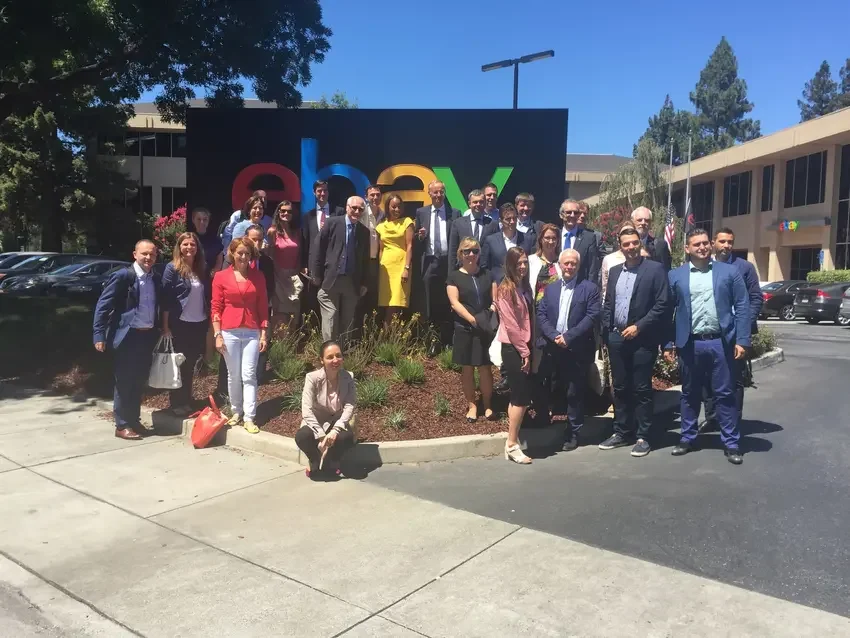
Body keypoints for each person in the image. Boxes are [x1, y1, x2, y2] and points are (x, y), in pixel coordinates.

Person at [664, 228, 751, 465]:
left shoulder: (729, 272)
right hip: (689, 343)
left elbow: (742, 306)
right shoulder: (675, 276)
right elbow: (668, 312)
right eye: (696, 244)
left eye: (705, 243)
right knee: (689, 393)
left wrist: (742, 340)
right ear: (687, 248)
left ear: (710, 245)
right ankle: (687, 438)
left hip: (721, 342)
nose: (702, 247)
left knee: (725, 394)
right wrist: (668, 343)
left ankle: (731, 443)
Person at [599, 227, 671, 457]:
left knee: (641, 388)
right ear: (620, 247)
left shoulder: (655, 269)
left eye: (634, 243)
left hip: (643, 339)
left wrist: (639, 326)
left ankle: (643, 436)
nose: (630, 247)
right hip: (616, 338)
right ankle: (621, 432)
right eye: (626, 244)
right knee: (620, 387)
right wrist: (608, 331)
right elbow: (608, 302)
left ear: (640, 243)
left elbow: (662, 303)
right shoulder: (615, 271)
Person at [93, 239, 161, 440]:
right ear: (135, 254)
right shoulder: (124, 276)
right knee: (124, 381)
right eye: (144, 254)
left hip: (147, 336)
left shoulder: (155, 278)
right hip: (127, 337)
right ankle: (122, 425)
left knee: (138, 381)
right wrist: (99, 334)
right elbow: (103, 305)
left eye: (152, 254)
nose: (148, 257)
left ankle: (134, 421)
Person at [537, 249, 600, 451]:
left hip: (577, 349)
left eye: (573, 263)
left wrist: (568, 337)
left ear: (578, 266)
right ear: (560, 265)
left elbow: (592, 316)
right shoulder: (551, 289)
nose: (570, 267)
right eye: (566, 263)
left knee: (574, 392)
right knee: (551, 386)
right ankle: (546, 419)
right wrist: (554, 335)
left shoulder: (589, 289)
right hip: (553, 346)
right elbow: (541, 314)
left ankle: (573, 432)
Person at [701, 227, 763, 431]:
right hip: (708, 332)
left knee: (734, 379)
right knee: (708, 377)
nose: (726, 245)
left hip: (734, 334)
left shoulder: (744, 268)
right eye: (722, 241)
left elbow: (755, 298)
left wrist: (743, 325)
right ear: (713, 243)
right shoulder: (704, 266)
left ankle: (733, 420)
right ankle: (712, 418)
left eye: (730, 242)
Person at [211, 237, 269, 434]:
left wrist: (263, 333)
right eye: (240, 253)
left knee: (249, 375)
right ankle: (236, 411)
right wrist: (217, 334)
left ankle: (249, 417)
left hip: (252, 331)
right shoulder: (221, 277)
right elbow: (216, 307)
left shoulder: (258, 276)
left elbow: (263, 305)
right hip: (229, 331)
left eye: (247, 253)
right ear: (232, 254)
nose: (244, 257)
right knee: (233, 374)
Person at [446, 237, 496, 422]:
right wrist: (472, 319)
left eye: (475, 250)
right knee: (467, 368)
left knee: (485, 368)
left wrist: (487, 317)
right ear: (460, 254)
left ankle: (488, 405)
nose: (471, 254)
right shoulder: (454, 276)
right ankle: (472, 406)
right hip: (465, 327)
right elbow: (454, 302)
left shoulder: (487, 274)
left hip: (484, 328)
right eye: (467, 251)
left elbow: (495, 300)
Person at [161, 232, 209, 416]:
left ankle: (187, 400)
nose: (189, 247)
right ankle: (176, 403)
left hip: (198, 323)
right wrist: (165, 327)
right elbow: (165, 299)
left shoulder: (201, 268)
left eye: (192, 244)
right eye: (185, 244)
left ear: (197, 248)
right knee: (179, 364)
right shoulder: (172, 268)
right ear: (179, 247)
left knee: (190, 364)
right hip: (180, 323)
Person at [310, 196, 370, 344]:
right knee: (330, 318)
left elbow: (365, 260)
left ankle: (342, 353)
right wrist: (316, 274)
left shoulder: (364, 232)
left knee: (347, 321)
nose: (357, 212)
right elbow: (318, 249)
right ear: (347, 207)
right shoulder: (332, 223)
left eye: (360, 209)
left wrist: (364, 283)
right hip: (331, 279)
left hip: (351, 282)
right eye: (354, 208)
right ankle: (329, 352)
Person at [495, 247, 536, 464]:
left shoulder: (523, 286)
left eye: (525, 262)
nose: (522, 266)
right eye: (518, 263)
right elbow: (511, 325)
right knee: (521, 398)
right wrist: (525, 352)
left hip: (523, 346)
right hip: (514, 348)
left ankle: (511, 441)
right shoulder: (506, 289)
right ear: (509, 265)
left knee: (518, 397)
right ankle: (512, 445)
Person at [295, 340, 356, 480]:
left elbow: (349, 405)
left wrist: (336, 430)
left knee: (346, 437)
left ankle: (333, 458)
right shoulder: (312, 378)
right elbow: (306, 410)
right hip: (317, 420)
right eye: (330, 357)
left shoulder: (348, 377)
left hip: (337, 420)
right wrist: (321, 435)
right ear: (322, 360)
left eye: (338, 356)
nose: (335, 360)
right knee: (302, 436)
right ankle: (314, 458)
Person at [415, 180, 460, 349]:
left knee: (448, 300)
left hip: (448, 262)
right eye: (435, 192)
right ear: (429, 194)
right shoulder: (421, 212)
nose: (439, 195)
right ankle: (432, 340)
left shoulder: (454, 213)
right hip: (430, 262)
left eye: (441, 192)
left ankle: (448, 340)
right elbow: (416, 240)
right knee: (429, 302)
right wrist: (420, 236)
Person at [302, 180, 344, 323]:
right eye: (319, 191)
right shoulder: (308, 216)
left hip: (333, 263)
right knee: (313, 299)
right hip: (314, 263)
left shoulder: (338, 212)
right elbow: (305, 241)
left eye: (325, 190)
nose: (322, 193)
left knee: (332, 299)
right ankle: (314, 330)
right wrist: (304, 264)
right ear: (314, 193)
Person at [375, 194, 414, 328]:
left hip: (401, 266)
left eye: (399, 206)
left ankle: (389, 336)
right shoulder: (381, 226)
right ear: (387, 207)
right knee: (387, 304)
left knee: (395, 304)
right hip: (386, 268)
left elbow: (409, 246)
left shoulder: (407, 222)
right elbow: (381, 249)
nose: (397, 209)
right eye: (393, 207)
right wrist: (380, 267)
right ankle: (388, 336)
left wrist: (406, 268)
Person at [265, 201, 303, 332]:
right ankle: (280, 344)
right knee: (280, 314)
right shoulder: (272, 231)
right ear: (278, 212)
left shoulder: (296, 232)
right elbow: (269, 255)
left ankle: (290, 343)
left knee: (294, 314)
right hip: (278, 277)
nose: (286, 213)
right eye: (283, 211)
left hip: (294, 278)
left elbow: (299, 254)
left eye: (289, 211)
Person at [481, 203, 531, 284]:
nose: (512, 221)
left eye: (514, 218)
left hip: (521, 286)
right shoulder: (491, 240)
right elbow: (484, 266)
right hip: (498, 285)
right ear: (500, 221)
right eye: (508, 219)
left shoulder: (527, 239)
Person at [449, 189, 498, 268]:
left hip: (485, 270)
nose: (478, 204)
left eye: (481, 202)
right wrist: (452, 273)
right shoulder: (458, 223)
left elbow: (496, 251)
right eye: (475, 202)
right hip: (464, 269)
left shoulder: (492, 224)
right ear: (469, 204)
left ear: (485, 203)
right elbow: (453, 251)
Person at [558, 199, 601, 285]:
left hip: (580, 287)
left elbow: (592, 268)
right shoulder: (554, 236)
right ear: (561, 215)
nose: (572, 215)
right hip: (556, 285)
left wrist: (590, 289)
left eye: (575, 212)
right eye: (569, 212)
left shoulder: (589, 237)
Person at [360, 184, 385, 319]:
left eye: (378, 195)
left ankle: (372, 326)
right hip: (362, 261)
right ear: (366, 197)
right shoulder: (361, 213)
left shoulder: (384, 215)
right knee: (361, 294)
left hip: (378, 261)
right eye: (372, 195)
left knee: (374, 295)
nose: (375, 197)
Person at [528, 223, 563, 302]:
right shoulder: (531, 260)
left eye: (554, 238)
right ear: (541, 239)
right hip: (537, 306)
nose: (551, 241)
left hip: (557, 305)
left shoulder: (562, 260)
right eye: (547, 238)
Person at [631, 206, 672, 272]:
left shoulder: (660, 245)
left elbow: (665, 271)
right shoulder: (624, 244)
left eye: (647, 220)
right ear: (632, 222)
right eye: (639, 220)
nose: (643, 223)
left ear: (650, 223)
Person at [190, 207, 223, 275]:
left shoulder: (215, 240)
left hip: (210, 276)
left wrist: (215, 271)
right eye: (199, 219)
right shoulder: (188, 238)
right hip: (191, 276)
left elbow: (219, 256)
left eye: (205, 219)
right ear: (193, 220)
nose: (202, 222)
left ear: (208, 221)